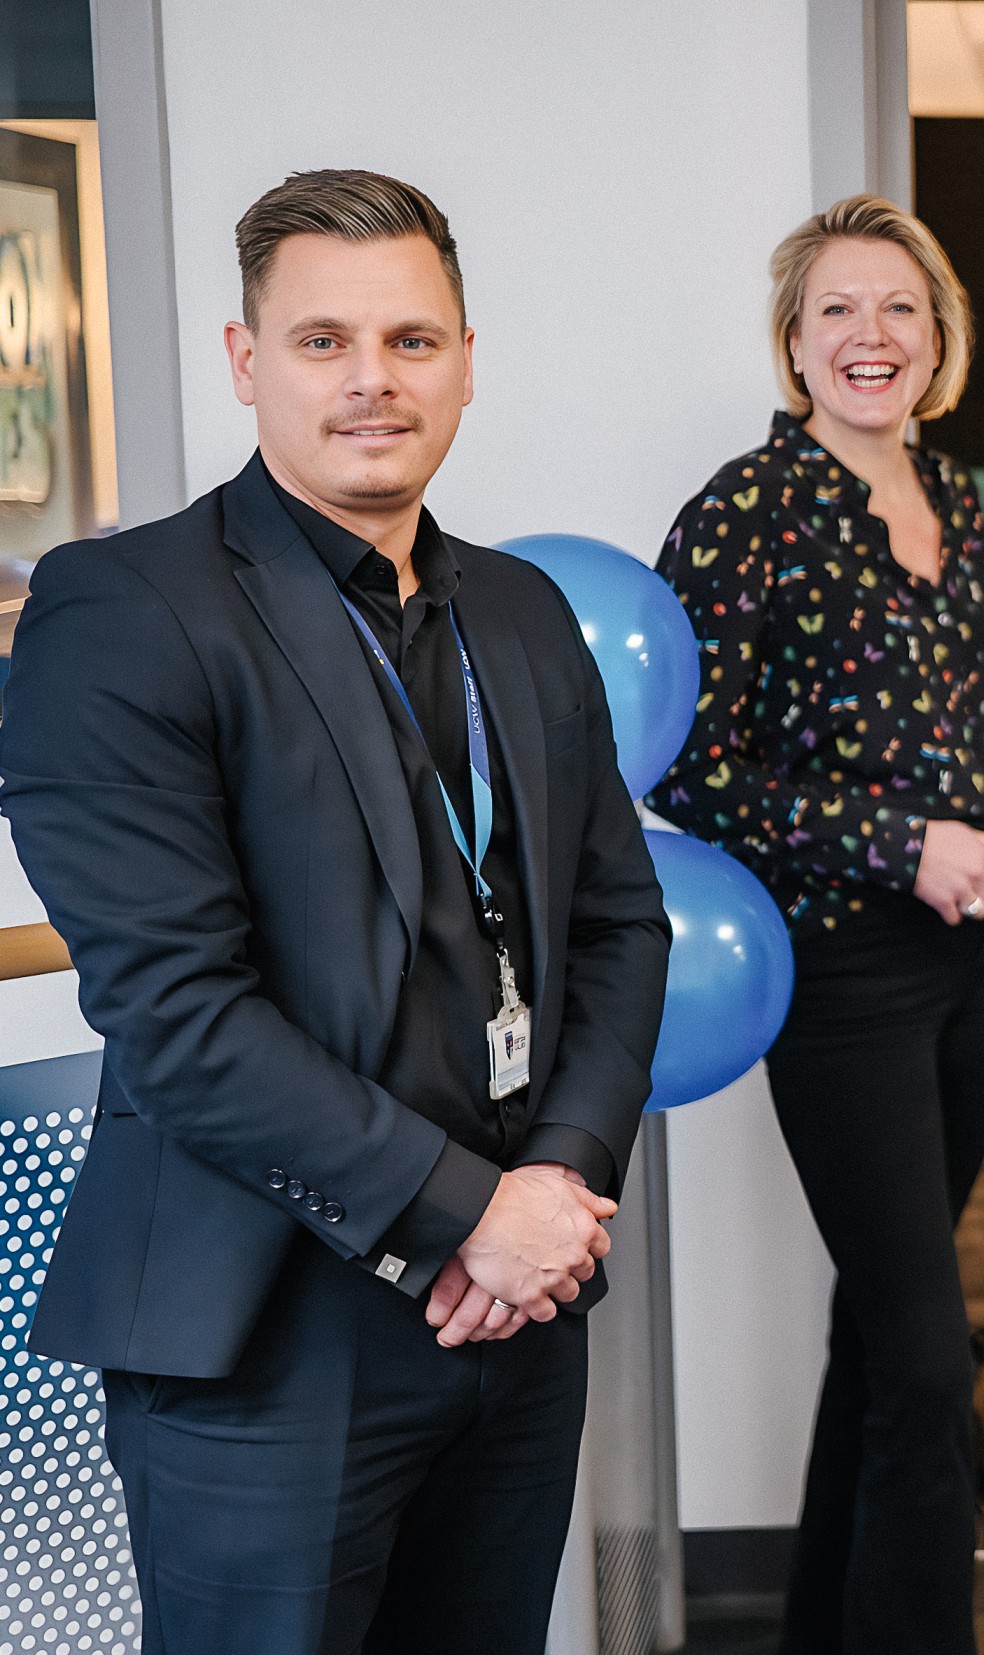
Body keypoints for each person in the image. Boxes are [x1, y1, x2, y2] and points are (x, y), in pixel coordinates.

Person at [0, 169, 670, 1653]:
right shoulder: (121, 609)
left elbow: (621, 923)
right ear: (248, 363)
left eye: (413, 340)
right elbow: (180, 1021)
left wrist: (549, 1188)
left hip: (517, 1311)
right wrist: (469, 1216)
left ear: (468, 360)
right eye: (323, 342)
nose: (374, 380)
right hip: (270, 1337)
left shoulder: (521, 610)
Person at [655, 194, 984, 1655]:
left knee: (881, 1334)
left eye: (901, 311)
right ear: (795, 345)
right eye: (838, 313)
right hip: (844, 979)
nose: (872, 337)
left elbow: (979, 727)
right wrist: (897, 844)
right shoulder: (745, 511)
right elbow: (684, 760)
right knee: (933, 1366)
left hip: (977, 968)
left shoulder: (956, 491)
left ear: (940, 341)